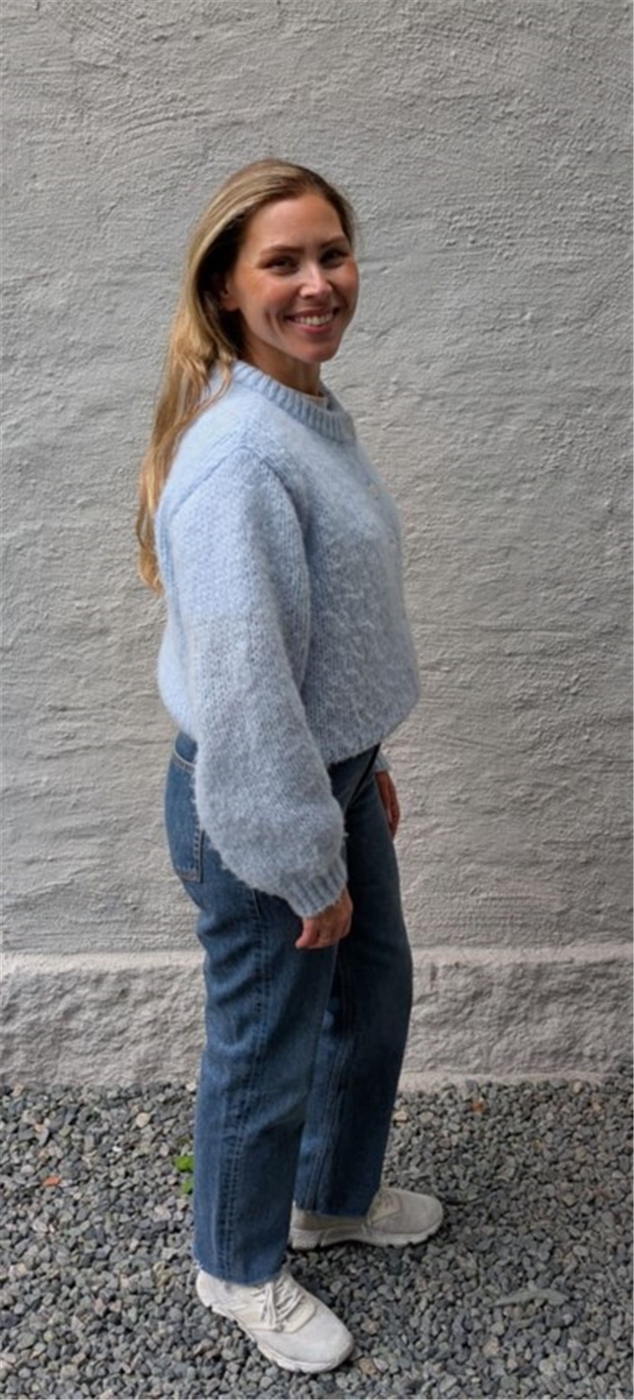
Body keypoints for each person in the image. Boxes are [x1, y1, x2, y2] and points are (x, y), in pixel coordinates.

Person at [137, 158, 443, 1375]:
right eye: (283, 262)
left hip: (330, 775)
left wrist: (365, 759)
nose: (318, 283)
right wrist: (301, 858)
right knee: (265, 1041)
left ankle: (326, 1198)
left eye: (331, 253)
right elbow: (248, 694)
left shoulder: (302, 413)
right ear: (226, 288)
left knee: (372, 995)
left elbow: (325, 633)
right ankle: (234, 1263)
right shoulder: (240, 459)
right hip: (260, 798)